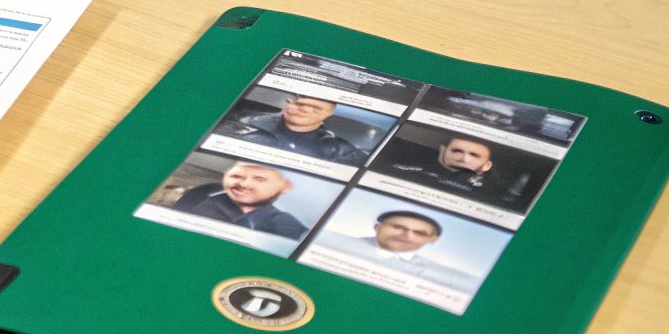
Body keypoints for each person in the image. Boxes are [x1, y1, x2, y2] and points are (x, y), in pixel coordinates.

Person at [313, 210, 480, 293]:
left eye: (419, 233)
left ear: (432, 239)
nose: (407, 235)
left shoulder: (452, 278)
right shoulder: (324, 240)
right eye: (398, 227)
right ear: (377, 227)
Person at [169, 161, 308, 239]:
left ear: (284, 187)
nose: (244, 184)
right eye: (236, 176)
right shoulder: (206, 193)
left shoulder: (284, 224)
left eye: (259, 179)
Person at [220, 95, 370, 164]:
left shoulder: (339, 149)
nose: (303, 110)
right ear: (289, 102)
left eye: (315, 108)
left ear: (329, 115)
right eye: (299, 103)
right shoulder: (244, 119)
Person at [379, 135, 504, 203]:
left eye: (474, 155)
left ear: (487, 165)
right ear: (444, 151)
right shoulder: (420, 168)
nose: (464, 159)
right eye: (457, 151)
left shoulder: (492, 193)